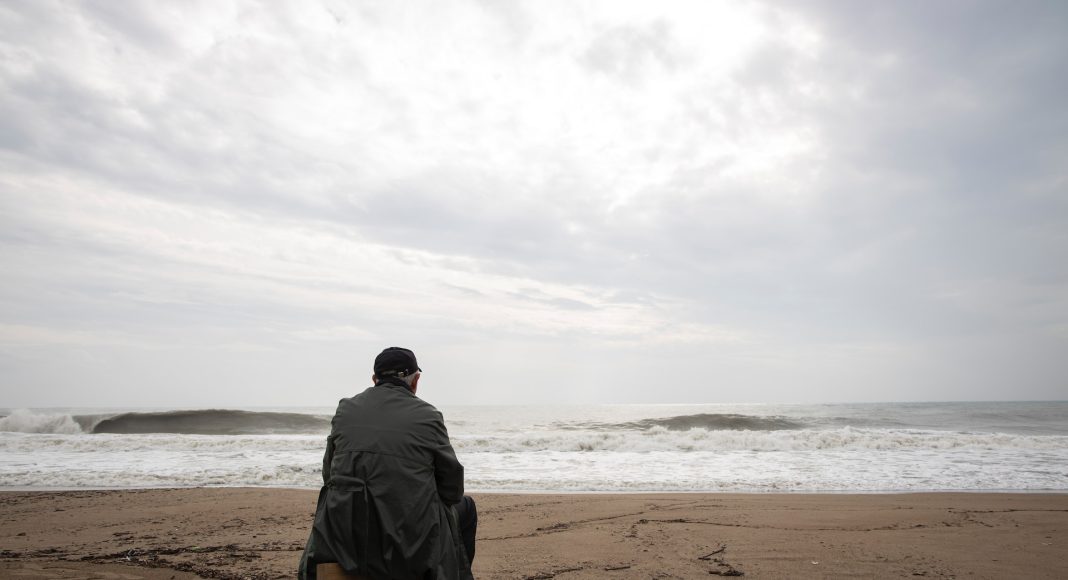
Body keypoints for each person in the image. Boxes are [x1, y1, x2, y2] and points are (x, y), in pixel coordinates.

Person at [299, 347, 476, 580]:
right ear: (416, 381)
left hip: (345, 538)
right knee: (466, 507)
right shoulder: (428, 415)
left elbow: (329, 475)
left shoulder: (346, 409)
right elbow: (452, 488)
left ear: (375, 379)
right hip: (409, 544)